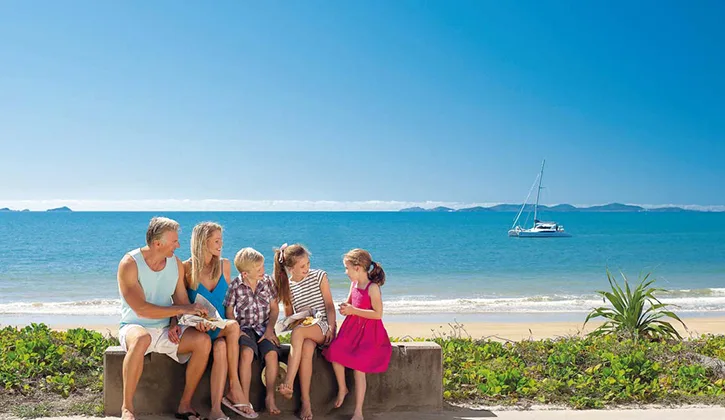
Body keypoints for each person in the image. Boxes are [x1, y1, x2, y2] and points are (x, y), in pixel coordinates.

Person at [117, 217, 211, 420]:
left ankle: (185, 405)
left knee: (203, 341)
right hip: (135, 326)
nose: (178, 245)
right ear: (158, 243)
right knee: (142, 338)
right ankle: (127, 409)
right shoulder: (129, 264)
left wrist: (187, 320)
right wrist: (186, 309)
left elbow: (180, 301)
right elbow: (142, 310)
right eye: (174, 241)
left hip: (165, 328)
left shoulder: (175, 264)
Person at [183, 222, 247, 420]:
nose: (221, 245)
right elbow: (182, 305)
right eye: (217, 241)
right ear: (203, 242)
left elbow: (228, 306)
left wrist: (232, 326)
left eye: (221, 240)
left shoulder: (224, 265)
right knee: (233, 327)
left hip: (220, 328)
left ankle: (216, 410)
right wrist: (195, 322)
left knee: (221, 346)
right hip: (197, 329)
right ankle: (234, 386)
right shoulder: (186, 268)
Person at [323, 249, 392, 420]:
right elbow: (350, 302)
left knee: (359, 369)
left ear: (358, 267)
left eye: (347, 268)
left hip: (369, 333)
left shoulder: (373, 288)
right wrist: (345, 307)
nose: (345, 272)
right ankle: (342, 388)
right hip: (352, 329)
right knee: (334, 353)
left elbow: (378, 314)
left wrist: (354, 310)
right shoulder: (353, 284)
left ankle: (358, 411)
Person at [273, 243, 337, 420]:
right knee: (306, 347)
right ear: (290, 268)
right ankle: (305, 403)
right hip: (306, 331)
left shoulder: (319, 276)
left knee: (299, 334)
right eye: (302, 266)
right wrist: (294, 321)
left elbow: (330, 306)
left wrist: (332, 326)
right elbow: (290, 318)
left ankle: (288, 383)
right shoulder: (287, 287)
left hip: (324, 326)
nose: (307, 268)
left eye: (308, 263)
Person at [223, 247, 282, 417]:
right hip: (245, 329)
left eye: (263, 266)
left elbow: (274, 309)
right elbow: (229, 312)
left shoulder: (268, 282)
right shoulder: (235, 285)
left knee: (272, 355)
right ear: (245, 273)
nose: (263, 271)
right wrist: (237, 331)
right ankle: (244, 398)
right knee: (247, 353)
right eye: (258, 269)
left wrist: (270, 330)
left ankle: (270, 397)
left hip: (265, 327)